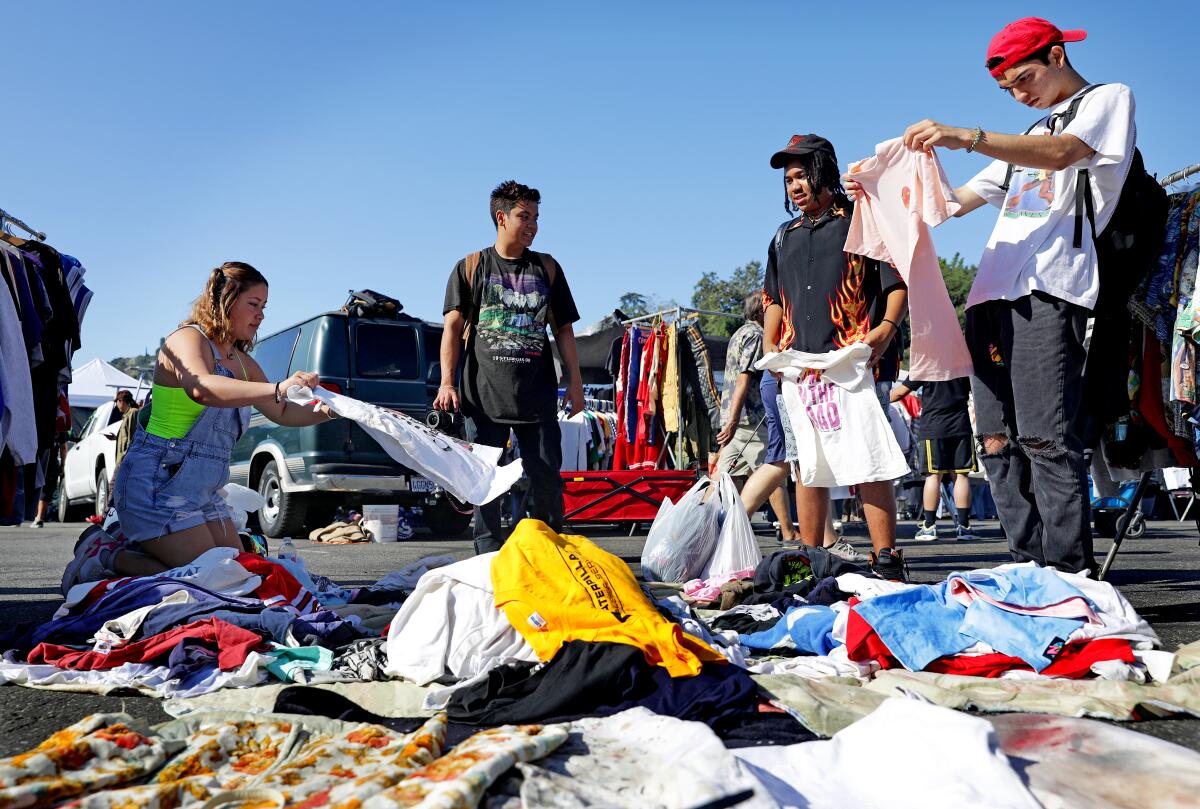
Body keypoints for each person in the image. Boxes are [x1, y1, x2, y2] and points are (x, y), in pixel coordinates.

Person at [885, 17, 1131, 573]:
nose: (1019, 96)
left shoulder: (1108, 100)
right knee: (994, 440)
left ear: (1058, 55)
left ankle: (1069, 574)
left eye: (1024, 80)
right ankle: (1025, 563)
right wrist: (874, 191)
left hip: (1052, 289)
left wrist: (963, 136)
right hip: (988, 298)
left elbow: (1065, 152)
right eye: (1007, 91)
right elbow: (943, 207)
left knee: (1047, 437)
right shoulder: (1024, 145)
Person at [62, 262, 338, 593]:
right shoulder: (186, 340)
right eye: (253, 305)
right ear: (225, 301)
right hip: (157, 484)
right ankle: (107, 556)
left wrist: (331, 411)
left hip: (204, 490)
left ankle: (133, 553)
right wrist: (280, 386)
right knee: (216, 581)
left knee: (239, 574)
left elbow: (282, 412)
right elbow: (202, 388)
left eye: (264, 307)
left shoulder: (243, 363)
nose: (261, 316)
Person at [743, 134, 909, 578]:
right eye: (788, 179)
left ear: (825, 173)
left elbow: (896, 283)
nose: (794, 186)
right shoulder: (783, 236)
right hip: (800, 367)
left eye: (803, 175)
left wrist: (886, 331)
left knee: (868, 459)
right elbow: (773, 298)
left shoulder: (861, 220)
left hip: (854, 358)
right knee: (805, 464)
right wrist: (770, 345)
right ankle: (810, 556)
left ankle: (887, 557)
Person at [435, 180, 585, 555]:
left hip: (536, 396)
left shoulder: (547, 268)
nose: (532, 225)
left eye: (536, 217)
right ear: (501, 217)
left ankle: (551, 550)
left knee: (548, 478)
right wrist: (446, 383)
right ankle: (487, 555)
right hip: (483, 396)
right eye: (524, 216)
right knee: (485, 481)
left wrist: (577, 382)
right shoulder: (471, 266)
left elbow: (563, 329)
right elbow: (452, 329)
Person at [715, 291, 797, 541]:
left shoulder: (739, 333)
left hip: (734, 417)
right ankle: (788, 531)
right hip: (749, 418)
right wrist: (734, 420)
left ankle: (719, 531)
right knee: (773, 470)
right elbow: (744, 379)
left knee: (724, 478)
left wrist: (729, 418)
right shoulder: (756, 336)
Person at [890, 377, 979, 541]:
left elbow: (899, 393)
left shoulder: (925, 363)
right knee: (961, 475)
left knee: (933, 476)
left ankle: (929, 527)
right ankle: (964, 527)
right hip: (961, 425)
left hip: (933, 427)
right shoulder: (963, 363)